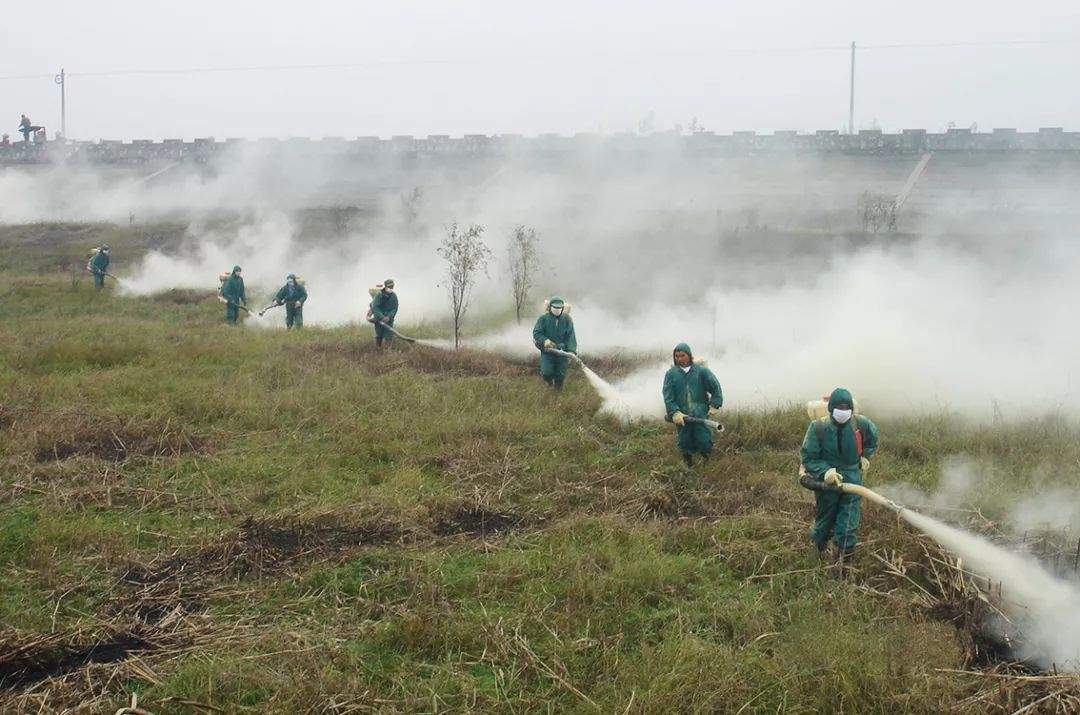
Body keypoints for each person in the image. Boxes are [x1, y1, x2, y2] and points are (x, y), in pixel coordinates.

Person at [799, 387, 879, 565]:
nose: (843, 412)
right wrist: (825, 471)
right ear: (831, 408)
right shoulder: (818, 427)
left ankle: (842, 568)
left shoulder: (860, 424)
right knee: (824, 522)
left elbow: (873, 439)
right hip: (827, 482)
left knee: (848, 523)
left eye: (846, 408)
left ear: (852, 408)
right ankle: (817, 554)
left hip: (852, 479)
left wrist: (865, 455)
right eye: (839, 408)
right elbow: (808, 457)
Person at [662, 343, 723, 468]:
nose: (680, 359)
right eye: (677, 356)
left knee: (704, 438)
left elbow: (715, 387)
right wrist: (674, 412)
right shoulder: (671, 374)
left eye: (683, 356)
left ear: (689, 356)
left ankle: (707, 463)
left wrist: (714, 405)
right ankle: (688, 464)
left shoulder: (701, 372)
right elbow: (668, 396)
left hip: (700, 412)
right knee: (685, 439)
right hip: (682, 415)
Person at [531, 296, 577, 389]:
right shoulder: (543, 319)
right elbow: (537, 332)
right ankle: (549, 383)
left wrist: (571, 351)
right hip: (548, 351)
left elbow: (571, 336)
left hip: (562, 351)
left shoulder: (567, 319)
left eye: (559, 308)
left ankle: (557, 393)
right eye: (555, 308)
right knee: (546, 372)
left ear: (562, 308)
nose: (557, 310)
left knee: (560, 375)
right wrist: (545, 340)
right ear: (550, 307)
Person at [370, 279, 398, 347]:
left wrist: (389, 317)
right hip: (379, 319)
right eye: (389, 287)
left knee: (389, 336)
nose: (391, 288)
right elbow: (375, 307)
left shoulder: (394, 296)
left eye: (392, 286)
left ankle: (387, 352)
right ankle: (378, 350)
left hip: (389, 320)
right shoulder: (379, 295)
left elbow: (394, 308)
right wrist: (381, 317)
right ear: (385, 287)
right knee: (379, 335)